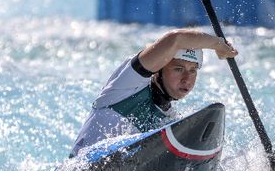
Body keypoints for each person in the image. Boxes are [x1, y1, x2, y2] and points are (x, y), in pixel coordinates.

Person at [70, 28, 238, 156]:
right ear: (158, 69)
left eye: (193, 70)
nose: (187, 78)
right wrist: (218, 44)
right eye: (178, 69)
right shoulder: (126, 86)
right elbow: (175, 39)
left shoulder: (169, 122)